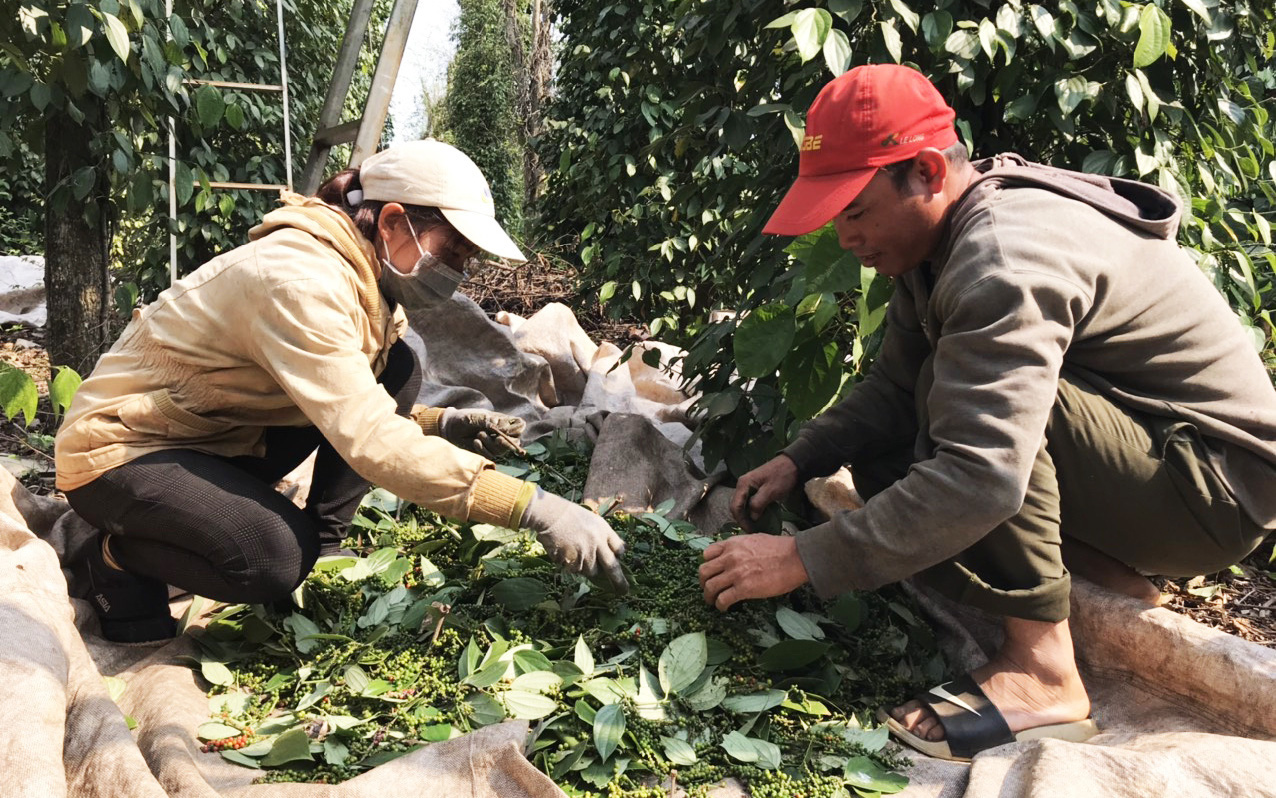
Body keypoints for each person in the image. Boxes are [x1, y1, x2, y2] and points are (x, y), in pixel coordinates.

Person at [698, 65, 1276, 761]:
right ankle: (1101, 578)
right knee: (904, 434)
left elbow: (984, 475)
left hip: (1215, 488)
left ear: (925, 172)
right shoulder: (932, 247)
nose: (844, 236)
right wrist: (803, 458)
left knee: (969, 411)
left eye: (854, 210)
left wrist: (803, 558)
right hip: (1149, 455)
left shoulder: (1000, 256)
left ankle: (1043, 673)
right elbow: (892, 387)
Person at [55, 139, 628, 644]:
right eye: (452, 253)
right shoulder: (300, 282)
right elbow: (370, 438)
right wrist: (534, 508)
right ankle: (115, 557)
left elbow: (346, 392)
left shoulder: (361, 277)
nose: (459, 272)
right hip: (121, 452)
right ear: (393, 222)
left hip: (209, 431)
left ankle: (324, 545)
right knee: (272, 558)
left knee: (397, 364)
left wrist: (440, 423)